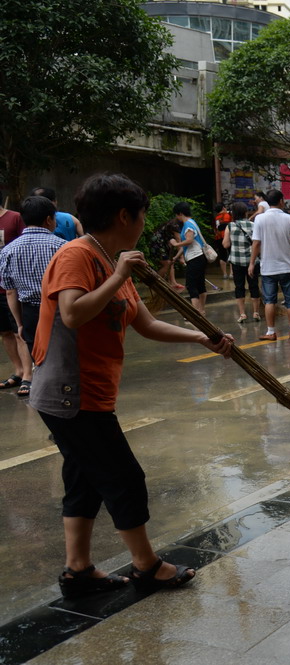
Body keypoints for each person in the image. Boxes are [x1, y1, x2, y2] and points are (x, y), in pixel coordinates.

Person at [29, 173, 234, 598]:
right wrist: (118, 272)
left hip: (92, 392)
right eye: (141, 214)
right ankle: (146, 565)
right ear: (125, 215)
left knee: (85, 479)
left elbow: (146, 323)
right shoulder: (78, 255)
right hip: (69, 393)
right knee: (124, 478)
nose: (144, 222)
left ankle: (78, 570)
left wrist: (202, 336)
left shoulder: (113, 258)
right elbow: (72, 313)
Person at [0, 196, 66, 398]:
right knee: (64, 354)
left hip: (29, 312)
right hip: (60, 309)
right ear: (48, 219)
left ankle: (46, 395)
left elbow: (10, 291)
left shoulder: (8, 250)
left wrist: (19, 322)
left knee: (41, 358)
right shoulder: (62, 246)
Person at [249, 190, 290, 341]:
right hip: (288, 266)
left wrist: (252, 263)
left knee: (269, 300)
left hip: (268, 268)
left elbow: (256, 244)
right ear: (281, 201)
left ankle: (270, 332)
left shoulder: (259, 219)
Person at [0, 194, 29, 392]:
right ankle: (18, 371)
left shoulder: (14, 218)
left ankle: (28, 374)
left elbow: (24, 246)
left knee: (20, 331)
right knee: (4, 332)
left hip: (11, 286)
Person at [222, 202, 261, 323]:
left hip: (236, 262)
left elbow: (226, 244)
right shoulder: (253, 225)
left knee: (239, 287)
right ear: (245, 212)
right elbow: (258, 243)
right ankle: (256, 313)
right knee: (254, 286)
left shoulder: (230, 226)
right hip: (252, 261)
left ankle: (243, 314)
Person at [168, 202, 209, 315]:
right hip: (199, 257)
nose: (176, 217)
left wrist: (175, 244)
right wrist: (176, 257)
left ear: (180, 213)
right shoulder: (192, 223)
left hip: (195, 258)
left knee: (191, 285)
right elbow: (187, 245)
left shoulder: (187, 225)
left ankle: (195, 313)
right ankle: (201, 311)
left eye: (177, 215)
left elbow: (189, 240)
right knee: (200, 284)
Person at [212, 203, 232, 280]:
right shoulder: (227, 215)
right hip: (227, 237)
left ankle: (224, 274)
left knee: (222, 255)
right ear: (223, 208)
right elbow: (230, 225)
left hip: (218, 237)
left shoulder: (216, 218)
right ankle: (231, 274)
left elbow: (214, 229)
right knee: (231, 253)